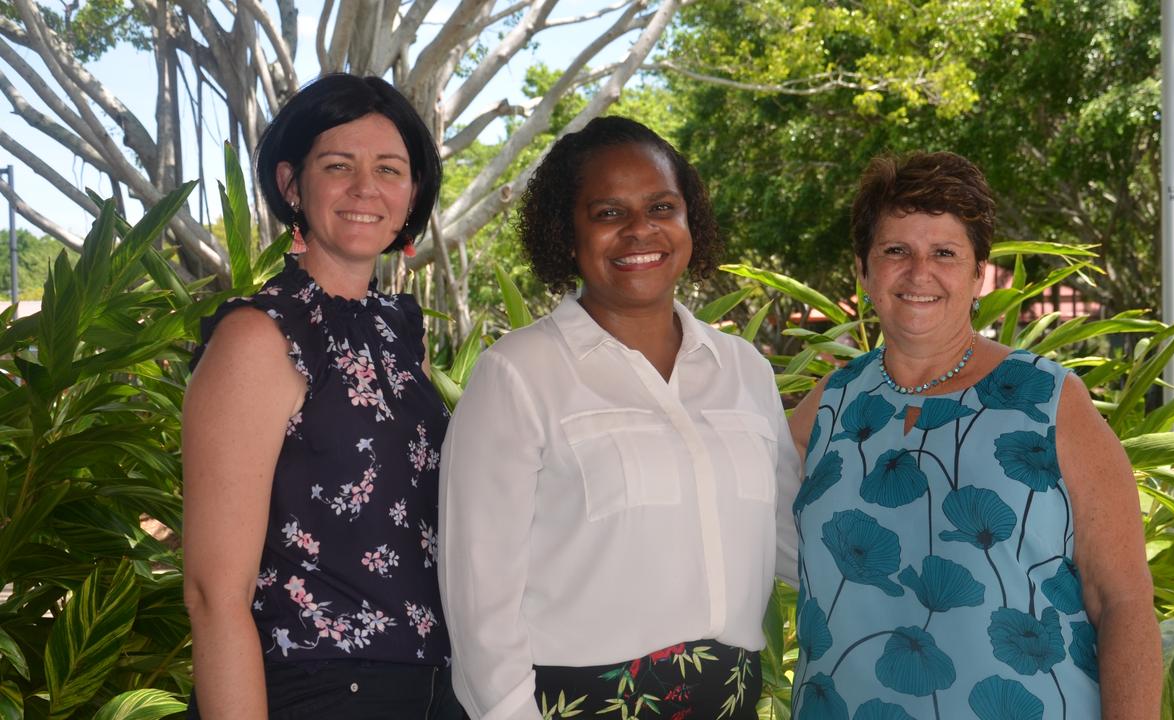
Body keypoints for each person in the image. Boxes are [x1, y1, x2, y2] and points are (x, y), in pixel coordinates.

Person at [439, 116, 799, 720]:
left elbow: (791, 537)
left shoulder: (744, 371)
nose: (641, 231)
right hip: (575, 703)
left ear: (690, 221)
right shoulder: (519, 374)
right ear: (567, 234)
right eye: (608, 213)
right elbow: (479, 597)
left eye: (662, 206)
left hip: (731, 699)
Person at [784, 152, 1160, 719]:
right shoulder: (829, 406)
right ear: (863, 271)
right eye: (895, 251)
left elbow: (1124, 601)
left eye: (944, 253)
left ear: (978, 273)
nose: (919, 273)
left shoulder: (1049, 400)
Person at [182, 73, 464, 719]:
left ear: (413, 193)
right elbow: (212, 594)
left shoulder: (401, 334)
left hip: (433, 687)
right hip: (314, 689)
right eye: (339, 165)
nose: (366, 188)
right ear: (291, 185)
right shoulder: (259, 335)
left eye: (390, 169)